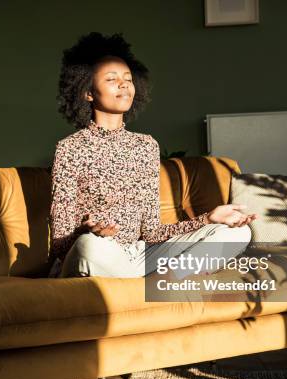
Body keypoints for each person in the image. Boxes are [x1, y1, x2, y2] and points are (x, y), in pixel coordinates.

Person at [49, 32, 257, 279]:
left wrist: (208, 218)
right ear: (87, 92)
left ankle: (158, 281)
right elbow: (61, 246)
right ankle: (158, 282)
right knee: (88, 246)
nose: (124, 84)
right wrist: (86, 232)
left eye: (128, 78)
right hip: (97, 254)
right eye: (111, 79)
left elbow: (151, 233)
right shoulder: (70, 149)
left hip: (138, 256)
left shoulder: (146, 146)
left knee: (236, 233)